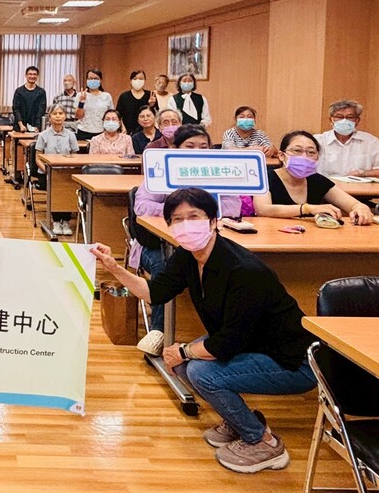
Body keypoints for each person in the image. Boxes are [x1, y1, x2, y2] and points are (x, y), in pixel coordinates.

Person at [92, 188, 317, 474]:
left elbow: (227, 344)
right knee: (184, 364)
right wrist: (113, 267)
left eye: (194, 216)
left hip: (294, 362)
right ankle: (239, 421)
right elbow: (154, 292)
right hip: (251, 344)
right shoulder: (188, 256)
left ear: (213, 221)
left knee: (199, 370)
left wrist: (184, 351)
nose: (186, 225)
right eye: (177, 219)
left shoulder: (242, 270)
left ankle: (263, 442)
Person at [133, 125, 242, 356]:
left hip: (209, 240)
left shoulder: (217, 173)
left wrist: (200, 215)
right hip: (157, 244)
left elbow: (234, 205)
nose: (198, 152)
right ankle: (160, 330)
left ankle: (224, 333)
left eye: (203, 147)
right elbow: (141, 205)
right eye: (190, 146)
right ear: (175, 149)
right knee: (166, 264)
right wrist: (179, 212)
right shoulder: (163, 172)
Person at [254, 131, 374, 224]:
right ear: (281, 155)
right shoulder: (265, 177)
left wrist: (362, 209)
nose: (304, 156)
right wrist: (307, 209)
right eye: (297, 150)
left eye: (311, 152)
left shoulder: (316, 180)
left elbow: (354, 204)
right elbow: (263, 209)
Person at [315, 99, 379, 179]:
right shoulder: (318, 141)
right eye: (339, 117)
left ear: (357, 121)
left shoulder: (370, 141)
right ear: (331, 120)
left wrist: (362, 173)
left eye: (350, 117)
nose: (344, 120)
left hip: (359, 187)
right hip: (326, 187)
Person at [34, 104, 77, 236]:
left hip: (65, 172)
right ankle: (56, 221)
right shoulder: (43, 135)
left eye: (61, 113)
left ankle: (66, 221)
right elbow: (37, 158)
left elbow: (75, 156)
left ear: (65, 116)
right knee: (55, 187)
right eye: (55, 113)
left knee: (67, 188)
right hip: (46, 173)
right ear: (50, 117)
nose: (58, 116)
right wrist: (47, 171)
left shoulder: (71, 135)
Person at [75, 68, 113, 141]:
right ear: (86, 80)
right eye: (90, 78)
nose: (93, 80)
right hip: (83, 132)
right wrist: (81, 102)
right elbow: (78, 116)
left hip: (101, 132)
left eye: (96, 79)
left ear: (100, 80)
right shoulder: (80, 95)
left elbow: (111, 115)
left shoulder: (107, 96)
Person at [12, 65, 47, 133]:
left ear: (37, 76)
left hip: (35, 126)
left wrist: (37, 126)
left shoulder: (41, 92)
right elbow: (16, 109)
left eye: (34, 74)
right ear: (26, 75)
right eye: (30, 74)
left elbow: (41, 110)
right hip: (19, 126)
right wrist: (21, 125)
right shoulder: (19, 91)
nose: (32, 76)